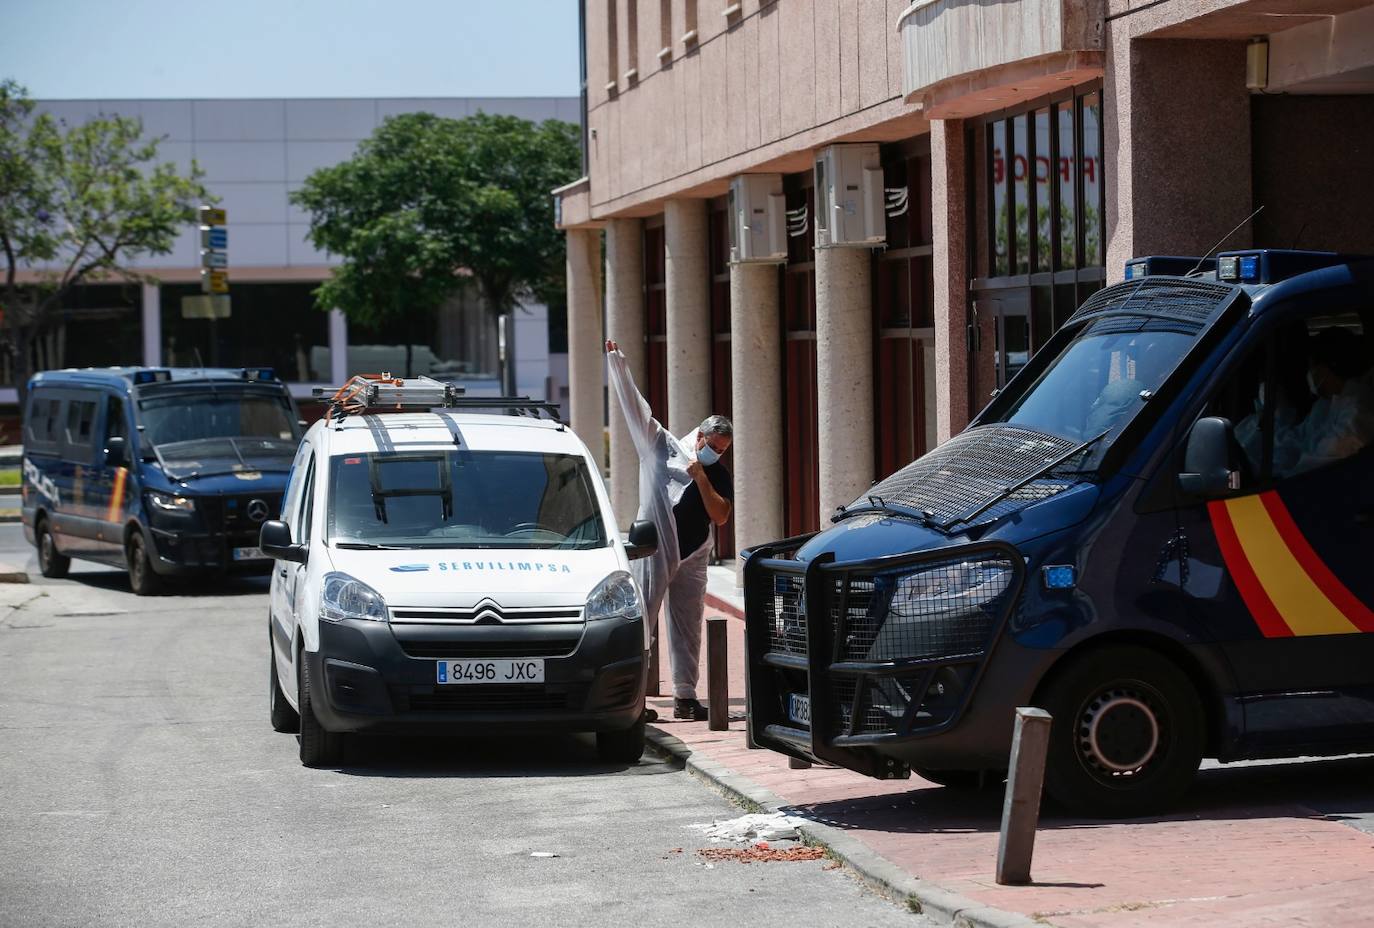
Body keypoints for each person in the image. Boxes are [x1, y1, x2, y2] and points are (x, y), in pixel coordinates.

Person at [605, 339, 734, 721]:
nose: (715, 452)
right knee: (642, 617)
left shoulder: (716, 472)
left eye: (722, 449)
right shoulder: (660, 446)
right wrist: (618, 365)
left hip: (694, 552)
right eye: (711, 445)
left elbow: (722, 515)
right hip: (656, 546)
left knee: (688, 623)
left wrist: (703, 477)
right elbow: (636, 412)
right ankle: (634, 701)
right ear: (698, 436)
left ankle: (685, 695)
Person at [1273, 327, 1374, 477]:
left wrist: (1282, 475)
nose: (1311, 374)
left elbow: (1324, 459)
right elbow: (1298, 439)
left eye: (1313, 367)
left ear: (1327, 369)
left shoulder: (1358, 411)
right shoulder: (1326, 404)